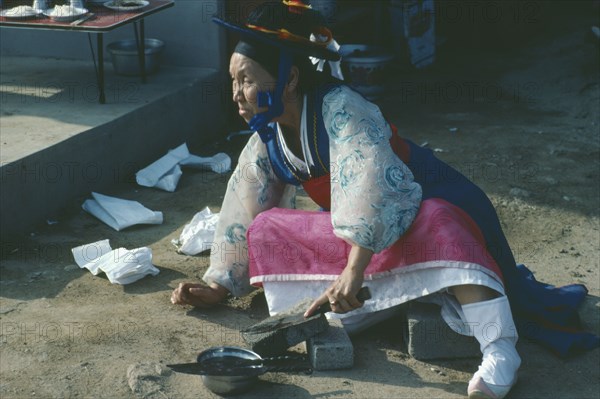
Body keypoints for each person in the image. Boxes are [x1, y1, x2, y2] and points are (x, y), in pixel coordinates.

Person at [171, 2, 598, 398]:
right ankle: (402, 289)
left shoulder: (342, 108)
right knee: (267, 228)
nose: (236, 94)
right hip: (362, 232)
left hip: (430, 208)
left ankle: (500, 349)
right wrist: (218, 284)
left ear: (291, 77)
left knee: (439, 220)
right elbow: (244, 206)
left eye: (246, 79)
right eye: (233, 81)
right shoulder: (268, 136)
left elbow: (372, 189)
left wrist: (354, 271)